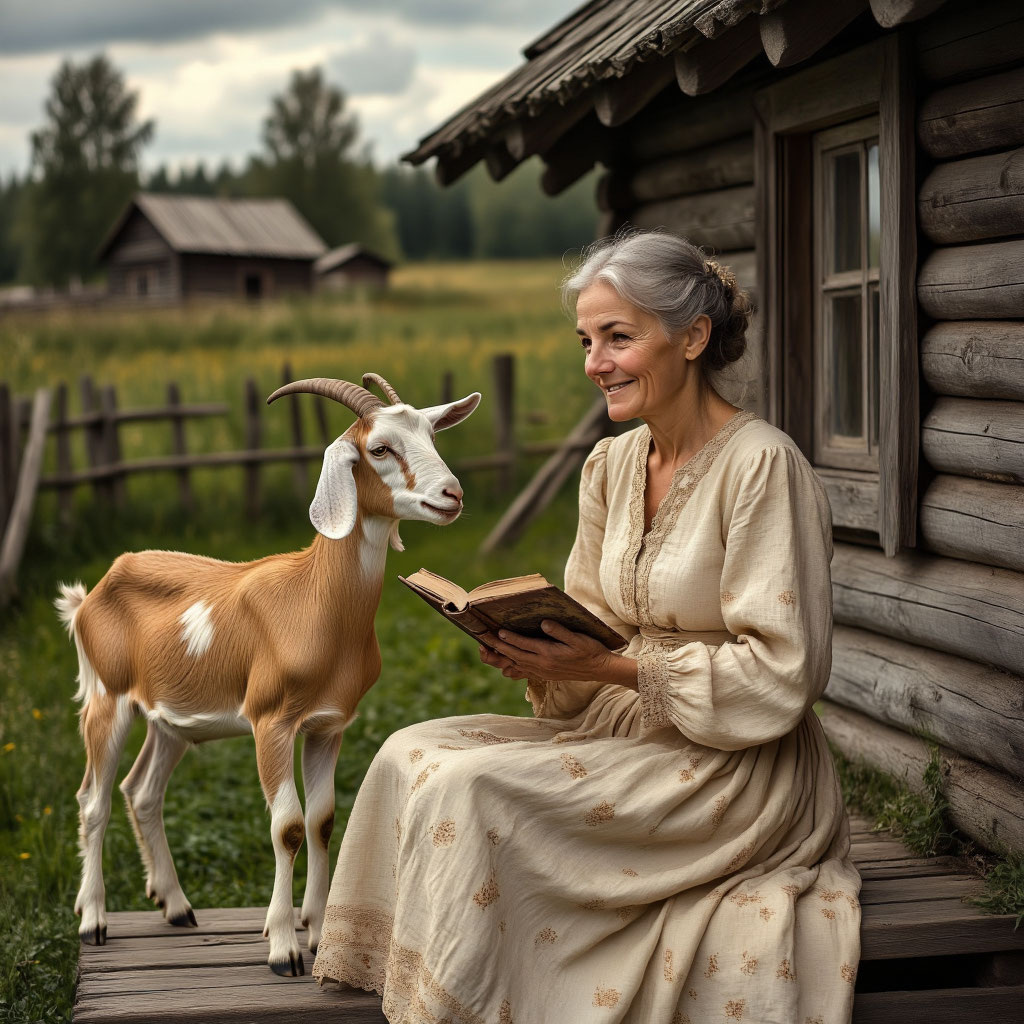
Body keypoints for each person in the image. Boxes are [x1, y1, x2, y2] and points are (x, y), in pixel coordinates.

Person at [312, 230, 861, 1023]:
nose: (594, 362)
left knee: (474, 789)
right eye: (586, 341)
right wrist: (542, 657)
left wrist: (616, 671)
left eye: (617, 338)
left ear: (693, 338)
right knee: (409, 753)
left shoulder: (763, 468)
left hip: (737, 768)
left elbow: (785, 675)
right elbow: (593, 615)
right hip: (618, 725)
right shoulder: (608, 466)